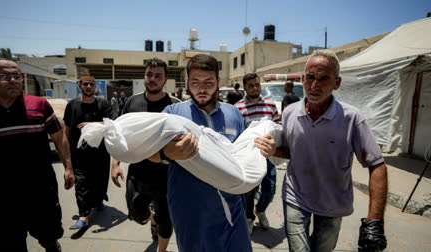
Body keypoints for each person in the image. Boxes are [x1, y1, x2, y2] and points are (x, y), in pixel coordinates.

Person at [268, 49, 387, 251]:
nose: (314, 86)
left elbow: (377, 166)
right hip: (295, 195)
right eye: (311, 78)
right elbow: (291, 150)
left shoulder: (351, 118)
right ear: (303, 79)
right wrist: (272, 149)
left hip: (333, 203)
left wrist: (375, 221)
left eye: (324, 79)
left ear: (337, 83)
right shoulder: (289, 113)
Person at [159, 54, 275, 251]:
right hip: (191, 212)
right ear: (187, 82)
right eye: (195, 82)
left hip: (233, 210)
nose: (202, 89)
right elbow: (149, 152)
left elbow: (247, 149)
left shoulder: (233, 114)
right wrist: (167, 152)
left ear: (218, 82)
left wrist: (267, 148)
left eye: (208, 82)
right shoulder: (172, 113)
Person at [0, 58, 75, 252]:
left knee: (49, 235)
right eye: (5, 76)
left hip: (41, 191)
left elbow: (59, 138)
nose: (13, 80)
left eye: (17, 76)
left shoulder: (39, 105)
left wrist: (68, 168)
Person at [111, 58, 180, 252]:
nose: (152, 79)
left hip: (167, 174)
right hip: (138, 171)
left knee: (167, 219)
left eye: (158, 76)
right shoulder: (132, 102)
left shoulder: (175, 106)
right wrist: (115, 164)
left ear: (165, 79)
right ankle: (152, 217)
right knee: (135, 212)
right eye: (149, 74)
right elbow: (118, 133)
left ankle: (162, 249)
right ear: (144, 76)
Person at [63, 75, 115, 230]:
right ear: (79, 86)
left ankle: (98, 200)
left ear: (95, 87)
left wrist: (91, 124)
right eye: (85, 84)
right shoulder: (72, 105)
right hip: (78, 154)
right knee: (81, 184)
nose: (88, 86)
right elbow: (67, 128)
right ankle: (83, 216)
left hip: (100, 153)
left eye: (91, 84)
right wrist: (65, 150)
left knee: (99, 182)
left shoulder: (103, 104)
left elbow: (112, 123)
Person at [234, 73, 279, 234]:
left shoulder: (270, 106)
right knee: (248, 192)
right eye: (251, 85)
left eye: (257, 85)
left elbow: (277, 128)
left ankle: (261, 210)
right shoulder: (237, 108)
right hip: (249, 158)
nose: (255, 88)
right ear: (245, 88)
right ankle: (249, 218)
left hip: (268, 156)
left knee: (270, 189)